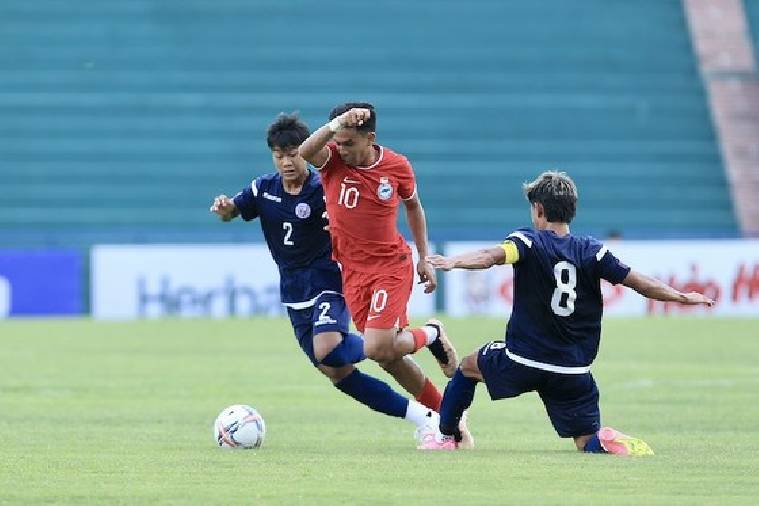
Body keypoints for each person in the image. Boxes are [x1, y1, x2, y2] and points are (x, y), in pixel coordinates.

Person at [418, 171, 714, 453]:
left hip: (523, 360)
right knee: (586, 442)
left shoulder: (527, 242)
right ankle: (607, 443)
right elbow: (638, 282)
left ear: (538, 209)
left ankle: (446, 436)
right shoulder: (593, 251)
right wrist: (681, 296)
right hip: (572, 370)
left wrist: (453, 262)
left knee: (468, 366)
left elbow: (490, 257)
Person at [210, 113, 438, 436]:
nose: (287, 162)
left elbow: (356, 211)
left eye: (293, 153)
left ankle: (384, 342)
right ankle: (424, 417)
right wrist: (225, 210)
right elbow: (235, 210)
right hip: (293, 293)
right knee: (337, 372)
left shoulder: (324, 185)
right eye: (279, 155)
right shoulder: (263, 189)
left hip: (328, 281)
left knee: (328, 348)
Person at [297, 103, 460, 416]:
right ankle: (446, 418)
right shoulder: (332, 160)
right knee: (388, 358)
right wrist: (335, 125)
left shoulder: (396, 166)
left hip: (390, 266)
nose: (340, 149)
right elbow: (305, 151)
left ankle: (432, 334)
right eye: (338, 141)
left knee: (374, 347)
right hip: (353, 272)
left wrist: (424, 257)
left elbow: (414, 207)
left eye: (348, 143)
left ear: (369, 138)